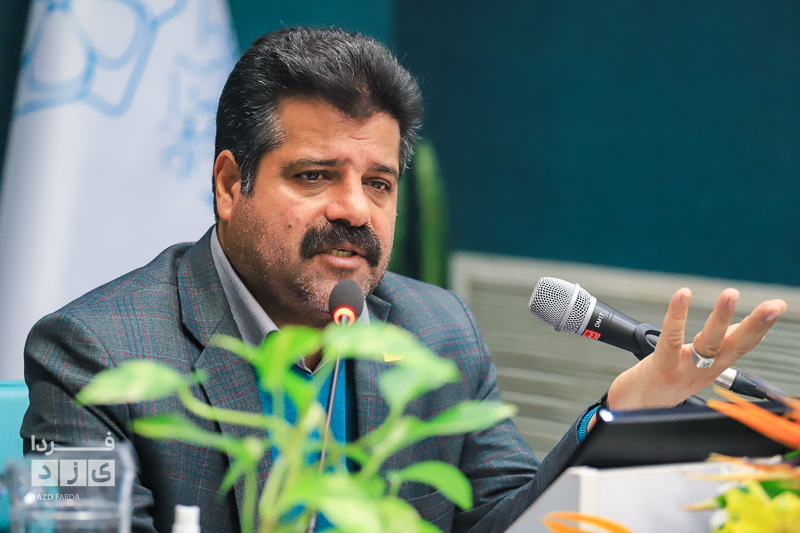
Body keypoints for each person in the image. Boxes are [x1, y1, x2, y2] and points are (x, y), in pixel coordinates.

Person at [21, 27, 787, 533]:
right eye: (315, 175)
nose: (355, 209)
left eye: (379, 183)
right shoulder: (93, 354)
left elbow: (503, 519)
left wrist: (622, 413)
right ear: (230, 184)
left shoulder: (436, 331)